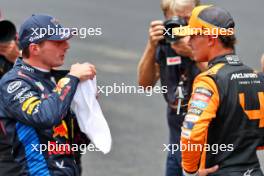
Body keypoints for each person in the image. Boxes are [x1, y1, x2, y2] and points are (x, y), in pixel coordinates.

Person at [0, 14, 96, 175]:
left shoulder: (53, 80)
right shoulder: (13, 83)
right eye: (58, 42)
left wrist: (86, 103)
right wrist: (71, 80)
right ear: (35, 48)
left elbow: (74, 142)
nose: (66, 46)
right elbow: (43, 116)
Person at [174, 5, 264, 176]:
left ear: (210, 39)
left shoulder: (209, 81)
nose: (188, 41)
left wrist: (190, 171)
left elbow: (191, 133)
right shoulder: (256, 77)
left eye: (193, 35)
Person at [137, 0, 205, 175]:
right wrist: (151, 46)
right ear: (166, 18)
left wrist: (192, 52)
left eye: (187, 19)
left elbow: (225, 79)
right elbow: (145, 84)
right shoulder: (165, 43)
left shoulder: (210, 39)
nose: (181, 25)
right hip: (177, 141)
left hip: (206, 145)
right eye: (176, 19)